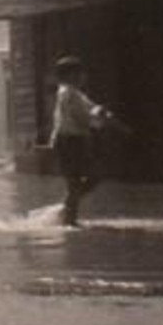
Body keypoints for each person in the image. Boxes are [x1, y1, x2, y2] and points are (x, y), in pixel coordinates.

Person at [50, 55, 117, 227]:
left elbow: (91, 107)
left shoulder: (74, 93)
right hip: (70, 141)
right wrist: (100, 121)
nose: (84, 77)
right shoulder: (68, 93)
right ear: (71, 75)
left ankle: (67, 214)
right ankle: (68, 219)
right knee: (86, 178)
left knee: (84, 179)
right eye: (80, 73)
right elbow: (81, 118)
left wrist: (101, 111)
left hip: (74, 141)